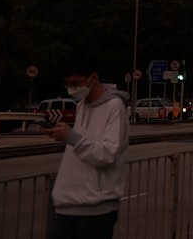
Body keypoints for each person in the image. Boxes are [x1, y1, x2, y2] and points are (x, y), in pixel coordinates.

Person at [40, 56, 130, 239]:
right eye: (67, 84)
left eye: (76, 83)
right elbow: (83, 143)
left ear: (93, 78)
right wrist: (66, 136)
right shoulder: (82, 105)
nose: (71, 88)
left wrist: (71, 137)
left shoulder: (114, 106)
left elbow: (107, 154)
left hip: (95, 210)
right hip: (67, 205)